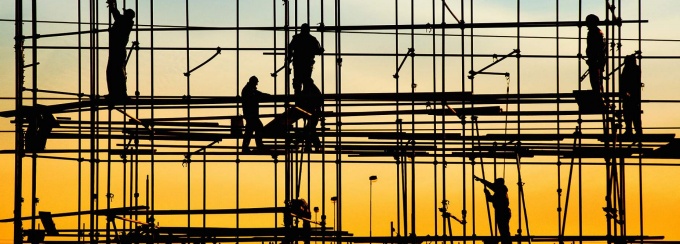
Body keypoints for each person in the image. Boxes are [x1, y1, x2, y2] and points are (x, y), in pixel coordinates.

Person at [107, 0, 135, 101]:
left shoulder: (124, 22)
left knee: (116, 71)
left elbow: (117, 16)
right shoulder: (125, 22)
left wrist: (112, 6)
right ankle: (116, 93)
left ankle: (118, 93)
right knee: (115, 71)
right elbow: (117, 16)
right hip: (117, 50)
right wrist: (113, 7)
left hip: (117, 51)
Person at [288, 23, 324, 95]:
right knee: (306, 81)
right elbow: (317, 51)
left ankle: (298, 98)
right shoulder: (312, 39)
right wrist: (321, 50)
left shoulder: (297, 38)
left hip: (298, 63)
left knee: (298, 82)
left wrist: (289, 57)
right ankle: (305, 97)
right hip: (307, 63)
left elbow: (290, 48)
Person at [474, 176, 511, 244]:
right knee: (504, 230)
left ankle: (506, 242)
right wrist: (481, 181)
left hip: (502, 212)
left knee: (503, 230)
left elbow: (490, 198)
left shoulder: (500, 191)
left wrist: (487, 192)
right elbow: (491, 186)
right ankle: (506, 242)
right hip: (503, 212)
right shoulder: (501, 191)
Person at [241, 76, 270, 152]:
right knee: (258, 127)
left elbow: (258, 94)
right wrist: (268, 96)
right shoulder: (248, 90)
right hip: (251, 114)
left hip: (250, 114)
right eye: (256, 83)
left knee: (249, 130)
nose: (256, 84)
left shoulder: (249, 89)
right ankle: (258, 145)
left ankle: (246, 147)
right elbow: (258, 95)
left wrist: (267, 96)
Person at [297, 79, 323, 152]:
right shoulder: (312, 89)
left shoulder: (311, 90)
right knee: (310, 129)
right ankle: (310, 146)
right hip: (312, 112)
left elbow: (319, 101)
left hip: (313, 113)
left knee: (309, 129)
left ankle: (303, 144)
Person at [620, 55, 642, 135]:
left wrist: (625, 91)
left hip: (631, 95)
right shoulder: (635, 68)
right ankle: (634, 130)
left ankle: (633, 130)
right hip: (632, 95)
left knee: (631, 113)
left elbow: (625, 82)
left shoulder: (631, 69)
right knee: (630, 113)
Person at [585, 14, 606, 96]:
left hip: (595, 60)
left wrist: (593, 58)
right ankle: (597, 93)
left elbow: (596, 48)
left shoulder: (594, 32)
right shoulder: (596, 32)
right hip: (596, 59)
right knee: (596, 79)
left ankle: (597, 94)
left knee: (595, 79)